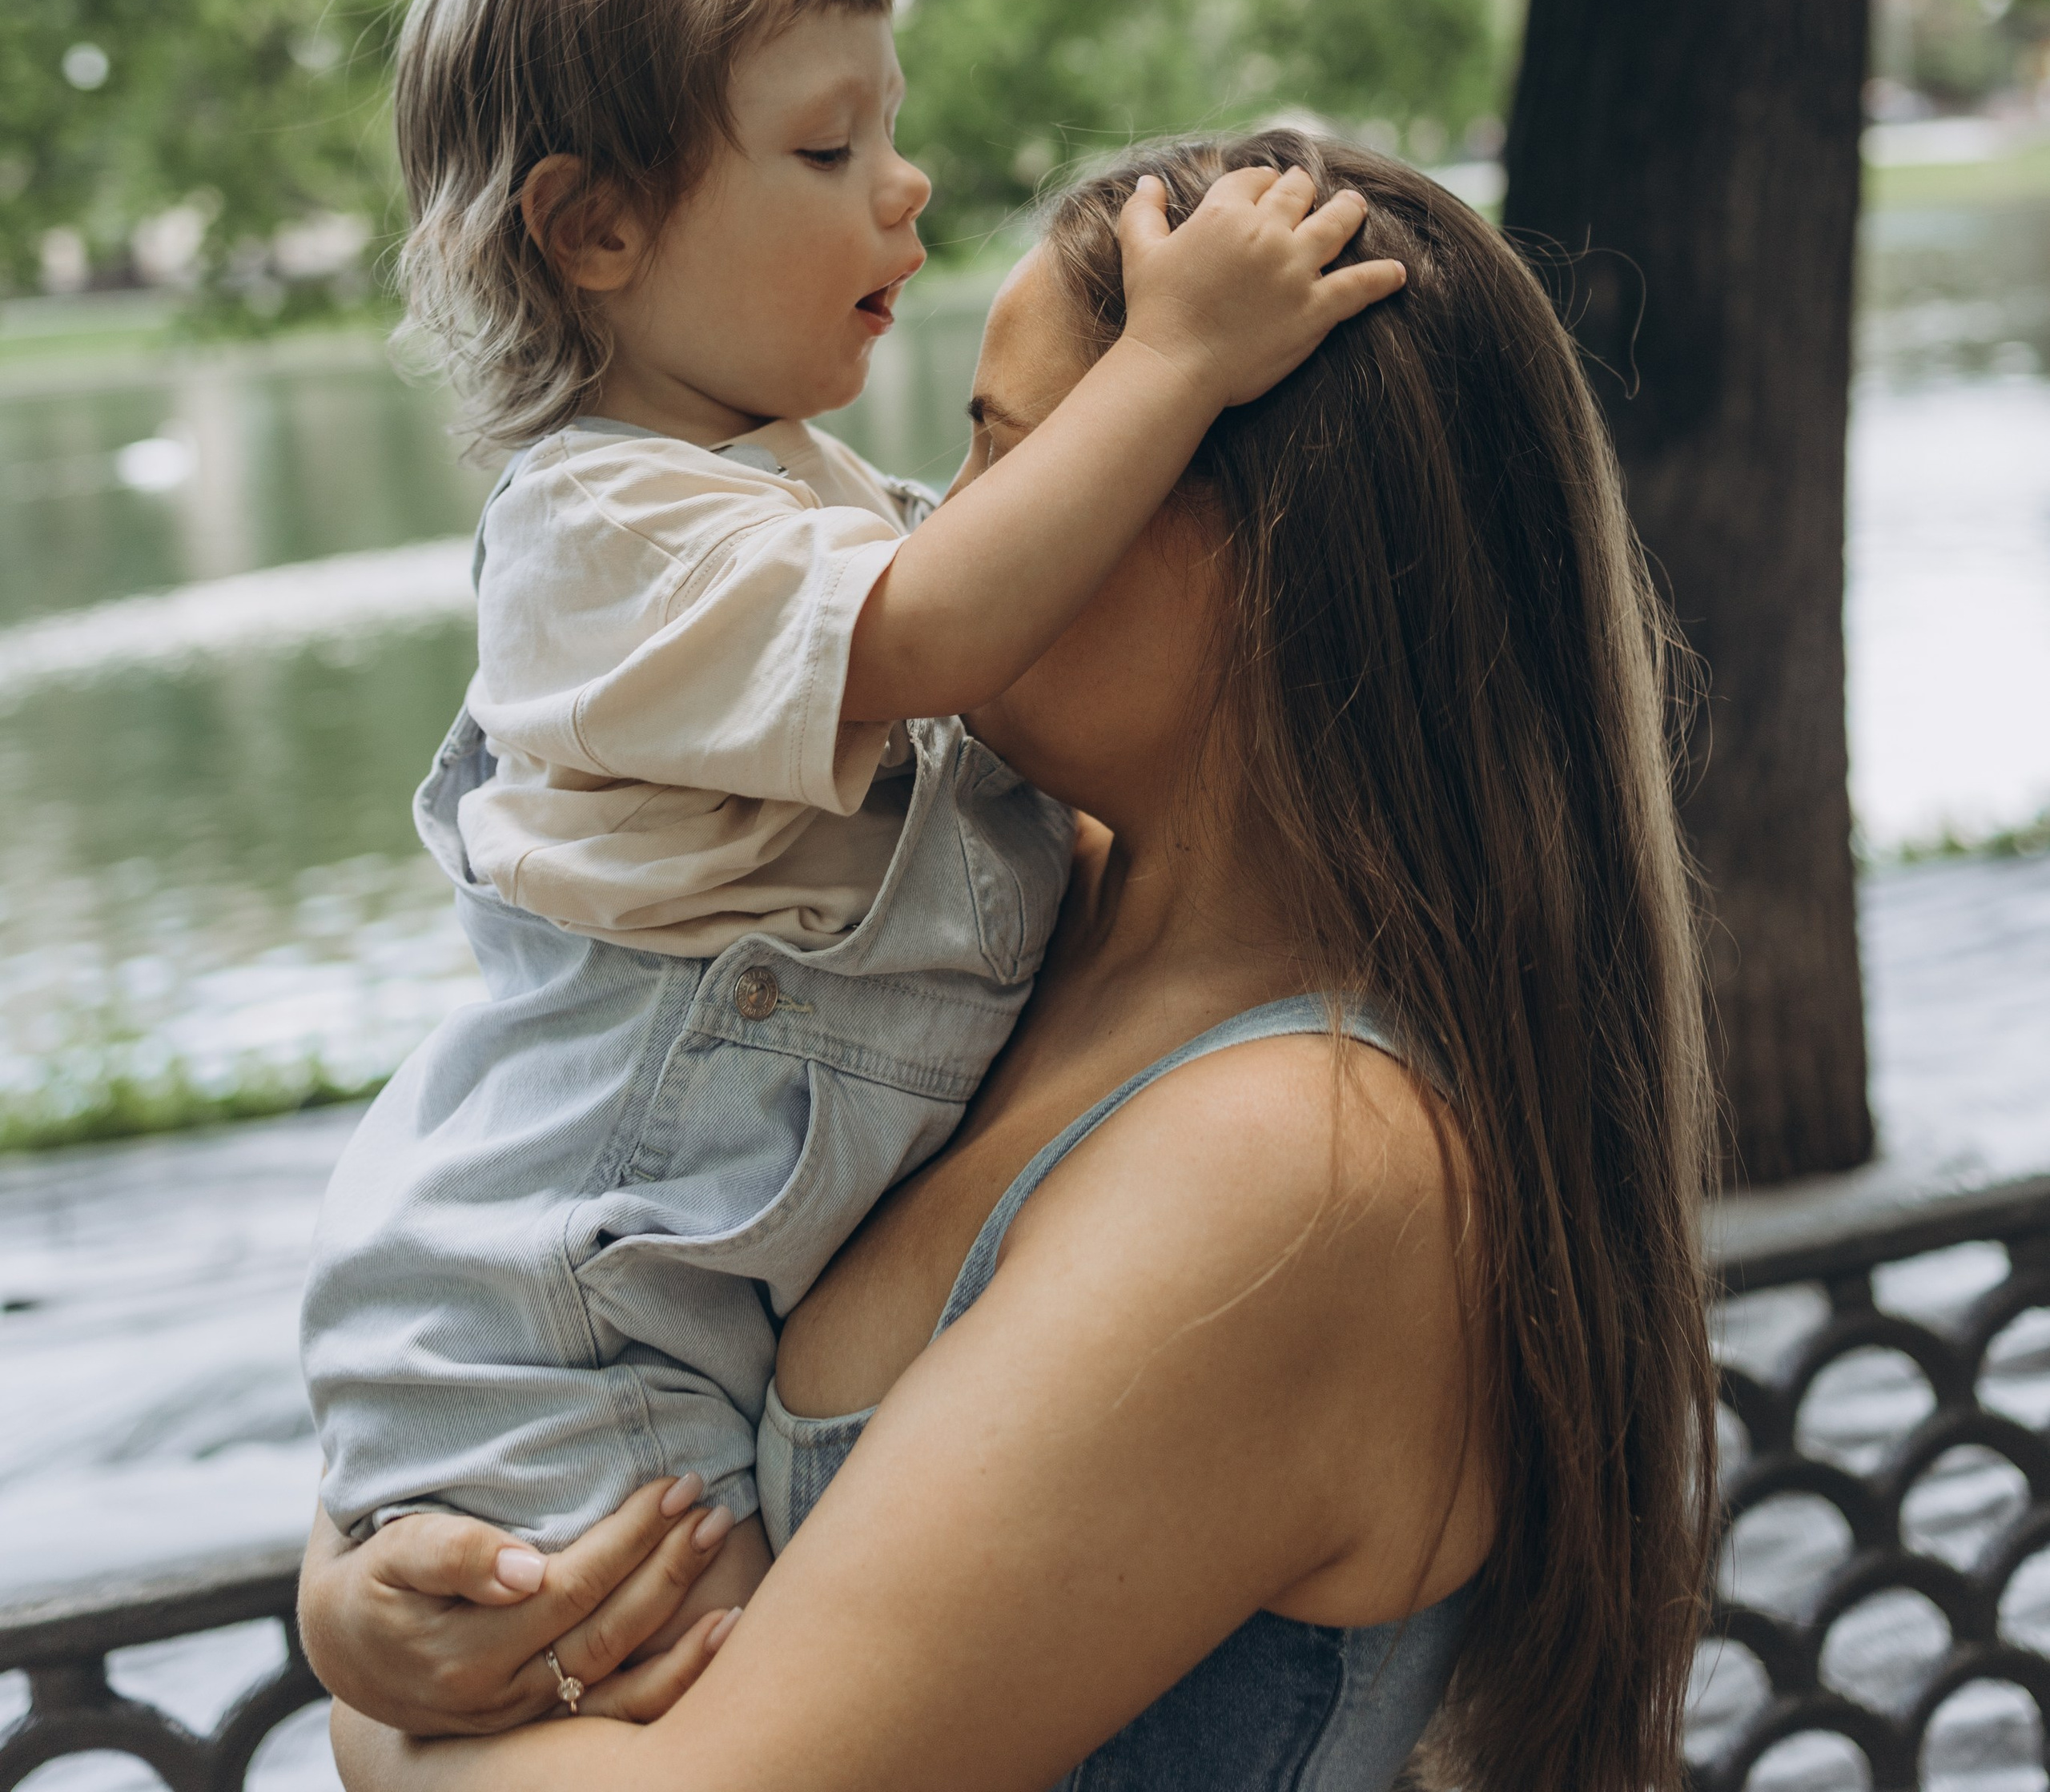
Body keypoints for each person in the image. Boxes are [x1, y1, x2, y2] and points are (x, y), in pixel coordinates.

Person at [301, 131, 1717, 1792]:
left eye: (1012, 456)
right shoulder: (981, 922)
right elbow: (545, 1233)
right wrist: (364, 1590)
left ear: (1269, 556)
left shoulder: (1298, 1165)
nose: (943, 534)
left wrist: (381, 1735)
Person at [301, 0, 1400, 1635]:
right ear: (593, 231)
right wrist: (1178, 358)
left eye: (890, 127)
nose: (905, 185)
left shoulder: (776, 496)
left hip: (646, 1301)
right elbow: (942, 631)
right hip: (569, 1316)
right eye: (826, 151)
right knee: (682, 1691)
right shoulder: (607, 530)